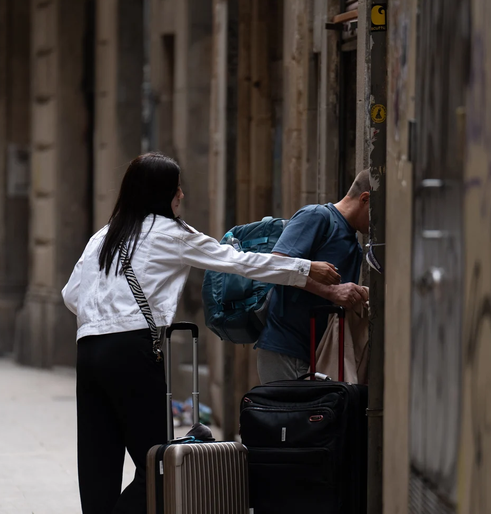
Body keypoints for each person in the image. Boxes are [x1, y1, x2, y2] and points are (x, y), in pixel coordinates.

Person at [61, 152, 340, 514]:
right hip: (131, 350)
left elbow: (70, 295)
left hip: (88, 349)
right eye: (176, 188)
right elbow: (240, 262)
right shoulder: (172, 234)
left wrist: (103, 317)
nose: (181, 195)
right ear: (162, 193)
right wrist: (306, 269)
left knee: (98, 464)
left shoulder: (103, 236)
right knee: (158, 465)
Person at [256, 170, 372, 383]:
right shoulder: (316, 216)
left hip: (320, 355)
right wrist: (332, 291)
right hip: (287, 349)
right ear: (365, 199)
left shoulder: (354, 246)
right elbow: (276, 265)